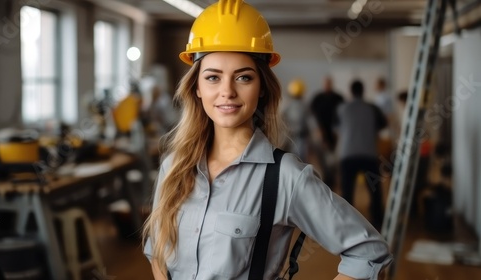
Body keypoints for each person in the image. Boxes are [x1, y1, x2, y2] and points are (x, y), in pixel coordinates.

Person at [143, 1, 392, 279]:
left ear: (261, 88)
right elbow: (157, 252)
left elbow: (368, 252)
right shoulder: (173, 167)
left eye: (243, 77)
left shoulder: (286, 177)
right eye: (213, 77)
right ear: (197, 88)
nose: (227, 91)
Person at [335, 80, 388, 229]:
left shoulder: (342, 108)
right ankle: (378, 220)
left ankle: (347, 222)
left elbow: (335, 127)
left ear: (351, 92)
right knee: (374, 189)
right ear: (363, 91)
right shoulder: (372, 108)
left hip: (348, 153)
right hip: (368, 153)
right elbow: (383, 124)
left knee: (347, 189)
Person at [309, 76, 344, 152]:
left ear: (331, 84)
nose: (327, 85)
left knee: (333, 152)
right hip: (321, 128)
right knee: (321, 152)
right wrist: (316, 128)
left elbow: (343, 115)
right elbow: (311, 114)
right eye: (325, 83)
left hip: (334, 129)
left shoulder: (338, 98)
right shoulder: (317, 98)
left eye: (329, 83)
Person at [281, 78, 310, 161]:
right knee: (301, 161)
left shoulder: (287, 106)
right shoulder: (305, 106)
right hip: (300, 138)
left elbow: (282, 120)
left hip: (291, 137)